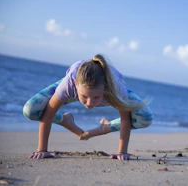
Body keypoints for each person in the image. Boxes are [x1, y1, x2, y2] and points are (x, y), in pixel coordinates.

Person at [23, 54, 153, 160]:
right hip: (78, 84)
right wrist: (42, 150)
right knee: (31, 110)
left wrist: (122, 152)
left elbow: (125, 119)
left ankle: (104, 128)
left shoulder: (116, 90)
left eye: (96, 97)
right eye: (85, 97)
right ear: (75, 84)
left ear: (105, 88)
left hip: (110, 89)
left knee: (145, 118)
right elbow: (48, 114)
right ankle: (65, 120)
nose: (89, 103)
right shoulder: (68, 84)